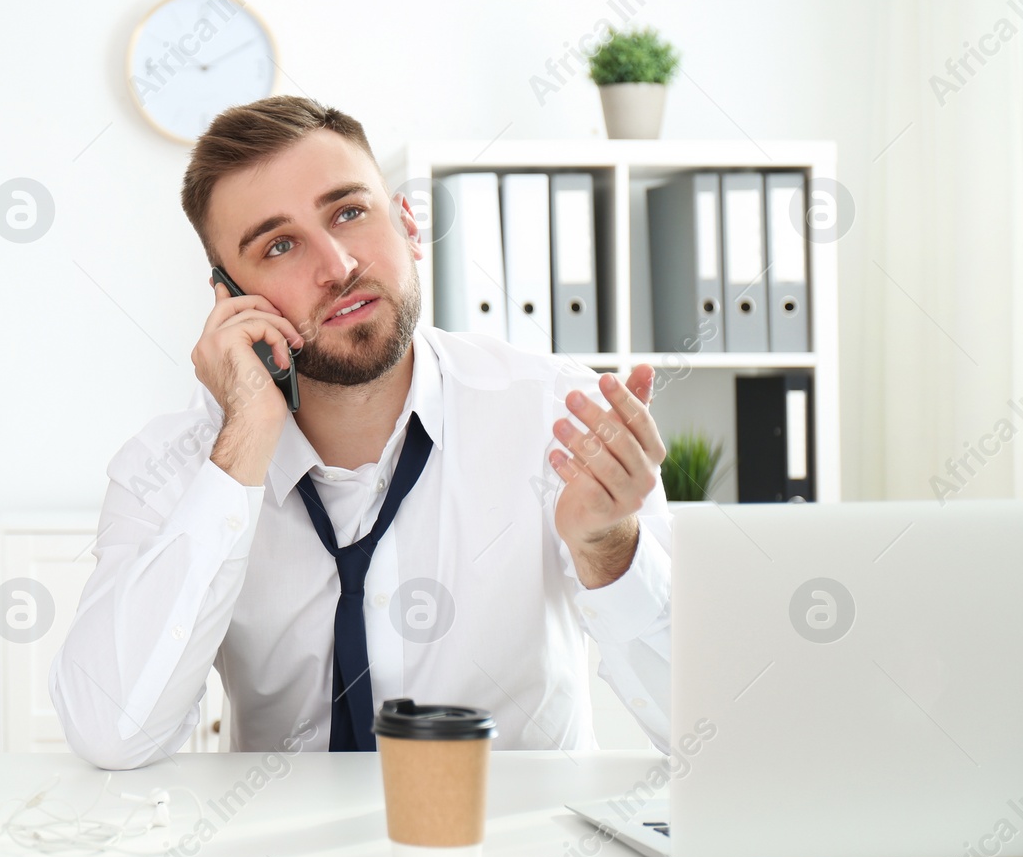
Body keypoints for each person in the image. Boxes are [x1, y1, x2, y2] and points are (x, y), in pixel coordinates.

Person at [49, 96, 671, 769]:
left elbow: (698, 725)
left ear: (407, 224)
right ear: (229, 296)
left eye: (348, 212)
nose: (338, 263)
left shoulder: (558, 415)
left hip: (518, 854)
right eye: (279, 244)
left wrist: (610, 550)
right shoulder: (172, 466)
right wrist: (244, 442)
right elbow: (110, 732)